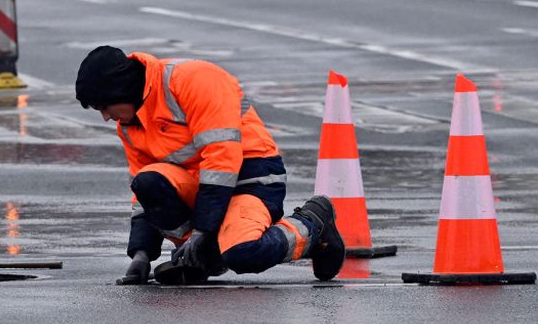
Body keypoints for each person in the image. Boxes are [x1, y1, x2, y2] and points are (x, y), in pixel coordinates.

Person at [74, 45, 345, 286]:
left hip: (251, 177)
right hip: (205, 188)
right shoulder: (130, 125)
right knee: (148, 182)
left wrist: (202, 232)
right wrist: (141, 254)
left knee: (241, 252)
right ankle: (204, 257)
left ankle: (312, 226)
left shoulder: (193, 80)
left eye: (104, 107)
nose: (106, 117)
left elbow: (221, 160)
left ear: (121, 90)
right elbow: (144, 194)